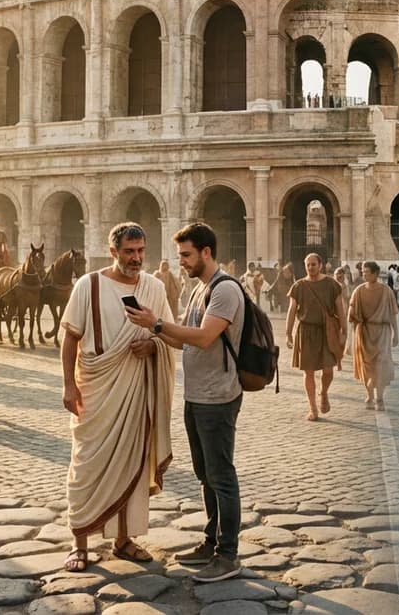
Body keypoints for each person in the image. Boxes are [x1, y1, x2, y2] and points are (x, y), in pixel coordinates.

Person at [127, 222, 245, 584]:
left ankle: (228, 555)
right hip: (197, 395)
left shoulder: (225, 290)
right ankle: (210, 542)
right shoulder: (200, 290)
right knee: (204, 473)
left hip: (218, 396)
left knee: (221, 475)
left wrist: (158, 324)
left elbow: (206, 338)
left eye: (186, 255)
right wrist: (153, 335)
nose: (181, 261)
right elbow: (185, 341)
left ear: (206, 252)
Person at [59, 222, 176, 573]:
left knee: (132, 466)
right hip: (95, 388)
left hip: (136, 390)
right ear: (113, 252)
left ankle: (124, 539)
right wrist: (68, 384)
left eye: (141, 251)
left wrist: (152, 343)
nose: (137, 258)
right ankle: (79, 541)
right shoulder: (88, 285)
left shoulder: (154, 287)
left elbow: (169, 334)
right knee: (85, 464)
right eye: (129, 252)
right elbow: (70, 339)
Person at [285, 253, 345, 421]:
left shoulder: (332, 285)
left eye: (313, 264)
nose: (310, 267)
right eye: (308, 265)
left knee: (328, 369)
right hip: (306, 331)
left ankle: (324, 392)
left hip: (327, 332)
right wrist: (288, 333)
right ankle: (312, 408)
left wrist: (344, 332)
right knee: (308, 372)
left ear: (320, 265)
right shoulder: (299, 286)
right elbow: (292, 310)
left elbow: (340, 308)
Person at [348, 261, 398, 410]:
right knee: (366, 367)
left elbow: (392, 314)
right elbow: (351, 316)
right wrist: (348, 340)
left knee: (381, 364)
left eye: (367, 272)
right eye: (363, 272)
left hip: (382, 332)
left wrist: (396, 334)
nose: (364, 274)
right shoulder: (358, 291)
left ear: (376, 273)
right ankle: (370, 394)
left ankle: (380, 397)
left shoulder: (386, 291)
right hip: (364, 333)